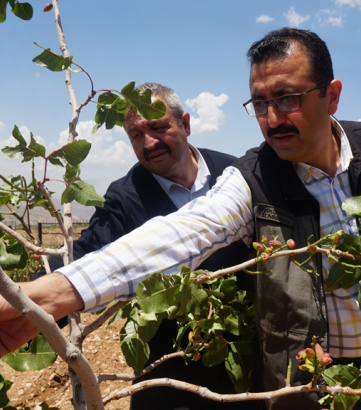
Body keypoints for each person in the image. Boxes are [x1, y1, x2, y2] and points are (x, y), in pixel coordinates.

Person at [0, 28, 361, 410]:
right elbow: (173, 239)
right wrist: (33, 301)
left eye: (287, 98)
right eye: (260, 103)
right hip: (307, 385)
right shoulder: (251, 178)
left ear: (331, 95)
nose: (272, 118)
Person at [35, 82, 254, 410]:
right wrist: (25, 300)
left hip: (245, 362)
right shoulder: (125, 196)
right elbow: (86, 252)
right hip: (169, 371)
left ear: (186, 125)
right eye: (137, 135)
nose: (149, 142)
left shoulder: (234, 173)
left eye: (157, 127)